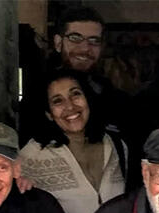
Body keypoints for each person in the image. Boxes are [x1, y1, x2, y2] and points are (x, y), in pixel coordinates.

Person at [18, 68, 130, 213]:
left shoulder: (117, 146)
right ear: (48, 114)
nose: (70, 106)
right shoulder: (32, 156)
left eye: (76, 94)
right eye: (57, 101)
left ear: (88, 99)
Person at [44, 6, 135, 138]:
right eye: (75, 38)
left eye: (94, 41)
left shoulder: (117, 100)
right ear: (58, 43)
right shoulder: (38, 95)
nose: (85, 48)